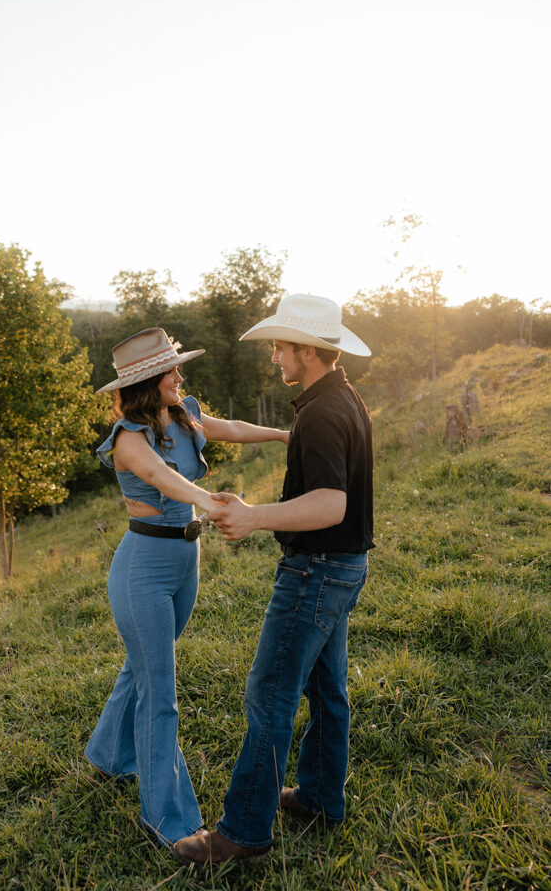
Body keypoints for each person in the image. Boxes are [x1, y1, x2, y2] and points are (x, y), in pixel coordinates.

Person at [173, 293, 374, 866]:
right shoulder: (341, 399)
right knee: (327, 686)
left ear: (308, 351)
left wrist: (254, 515)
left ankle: (242, 834)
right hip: (343, 567)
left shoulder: (323, 413)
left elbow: (332, 504)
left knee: (270, 694)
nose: (275, 358)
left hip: (316, 571)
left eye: (281, 347)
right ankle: (317, 797)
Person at [84, 327, 289, 848]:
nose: (181, 376)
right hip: (143, 569)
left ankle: (108, 755)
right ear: (150, 382)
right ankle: (168, 821)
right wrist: (211, 502)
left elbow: (234, 428)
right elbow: (163, 479)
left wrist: (287, 436)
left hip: (184, 561)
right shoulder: (129, 440)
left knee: (144, 664)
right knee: (161, 693)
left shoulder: (183, 414)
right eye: (172, 371)